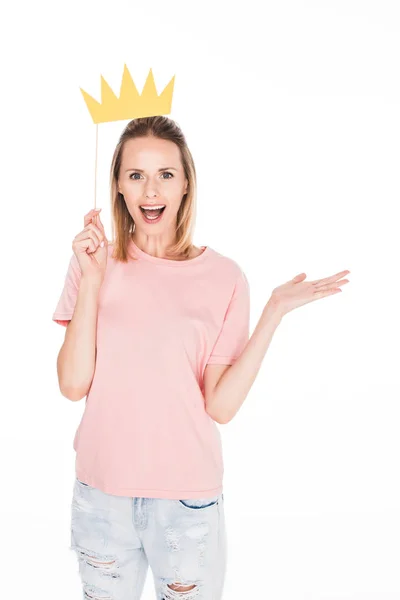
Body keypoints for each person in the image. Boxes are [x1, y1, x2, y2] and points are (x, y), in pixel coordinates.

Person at [52, 116, 350, 599]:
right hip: (102, 496)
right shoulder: (93, 262)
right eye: (136, 175)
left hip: (186, 503)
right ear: (119, 187)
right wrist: (90, 279)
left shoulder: (225, 277)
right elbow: (71, 385)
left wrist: (274, 311)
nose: (151, 189)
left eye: (165, 174)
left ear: (186, 183)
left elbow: (220, 407)